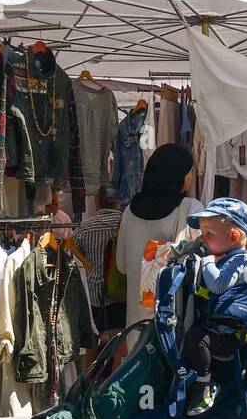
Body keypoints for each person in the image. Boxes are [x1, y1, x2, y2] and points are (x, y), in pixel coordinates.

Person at [181, 197, 247, 416]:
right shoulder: (225, 256)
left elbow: (218, 285)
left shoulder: (242, 259)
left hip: (228, 335)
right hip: (217, 327)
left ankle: (205, 385)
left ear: (234, 236)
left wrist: (207, 261)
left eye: (208, 234)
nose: (202, 239)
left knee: (195, 340)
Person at [113, 144, 202, 331]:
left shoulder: (129, 211)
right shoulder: (190, 209)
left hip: (135, 327)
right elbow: (195, 269)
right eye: (190, 170)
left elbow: (122, 266)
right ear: (178, 174)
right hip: (173, 326)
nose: (192, 176)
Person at [75, 185, 125, 355]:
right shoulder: (124, 223)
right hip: (119, 292)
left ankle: (88, 379)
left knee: (93, 341)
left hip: (92, 293)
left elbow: (74, 257)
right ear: (116, 202)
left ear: (97, 202)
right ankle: (114, 377)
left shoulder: (84, 227)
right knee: (121, 339)